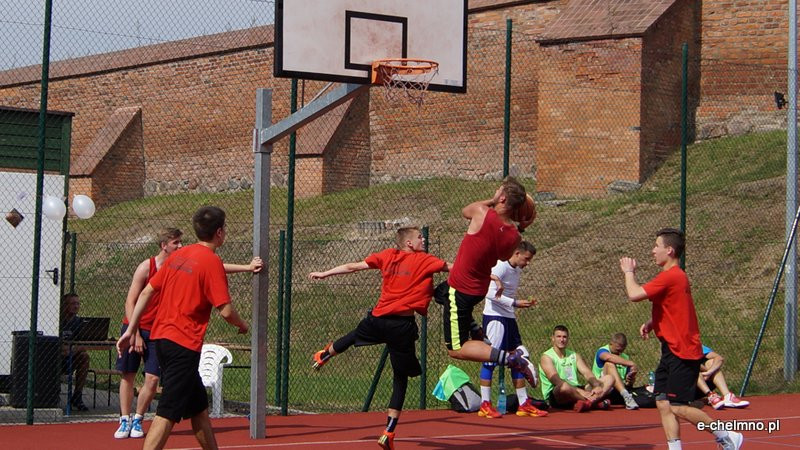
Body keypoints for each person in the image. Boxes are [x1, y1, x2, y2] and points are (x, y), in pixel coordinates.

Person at [117, 206, 251, 450]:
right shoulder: (211, 261)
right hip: (183, 346)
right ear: (220, 232)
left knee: (198, 408)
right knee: (167, 411)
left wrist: (130, 328)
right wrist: (243, 325)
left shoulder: (179, 255)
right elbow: (226, 310)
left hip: (162, 340)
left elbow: (147, 291)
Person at [309, 226, 450, 450]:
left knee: (356, 335)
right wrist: (487, 274)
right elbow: (457, 268)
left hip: (379, 319)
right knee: (400, 378)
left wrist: (325, 273)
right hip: (401, 325)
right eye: (419, 237)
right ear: (410, 243)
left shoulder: (387, 256)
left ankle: (325, 354)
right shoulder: (425, 260)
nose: (423, 240)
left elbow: (353, 266)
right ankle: (389, 432)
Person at [620, 227, 744, 450]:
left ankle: (727, 435)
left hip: (682, 352)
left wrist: (629, 272)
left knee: (677, 406)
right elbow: (675, 308)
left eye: (656, 246)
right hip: (671, 351)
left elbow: (634, 294)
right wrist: (653, 322)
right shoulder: (675, 278)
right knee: (663, 403)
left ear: (669, 250)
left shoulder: (673, 276)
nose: (652, 251)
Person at [433, 177, 539, 387]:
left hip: (461, 288)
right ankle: (476, 329)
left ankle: (511, 359)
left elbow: (465, 211)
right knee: (438, 293)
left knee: (456, 348)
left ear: (502, 197)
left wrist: (491, 201)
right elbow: (502, 255)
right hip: (478, 288)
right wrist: (521, 224)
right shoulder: (514, 238)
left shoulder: (482, 212)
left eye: (498, 191)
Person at [477, 241, 548, 419]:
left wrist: (516, 304)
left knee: (519, 357)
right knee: (490, 359)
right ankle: (485, 404)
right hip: (495, 317)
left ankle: (523, 404)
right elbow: (489, 293)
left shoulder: (516, 270)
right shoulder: (500, 266)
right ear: (517, 253)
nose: (528, 263)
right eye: (526, 259)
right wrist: (514, 303)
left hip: (509, 317)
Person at [538, 325, 614, 412]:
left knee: (609, 378)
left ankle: (587, 403)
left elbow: (586, 372)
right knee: (564, 387)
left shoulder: (574, 355)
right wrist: (582, 392)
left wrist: (596, 385)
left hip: (576, 390)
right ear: (552, 338)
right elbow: (557, 381)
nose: (562, 340)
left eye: (564, 337)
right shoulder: (547, 357)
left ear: (568, 339)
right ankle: (594, 403)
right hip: (557, 394)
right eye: (558, 336)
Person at [591, 332, 641, 410]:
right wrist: (631, 363)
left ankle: (626, 396)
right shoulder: (602, 351)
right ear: (611, 344)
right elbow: (608, 357)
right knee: (609, 364)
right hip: (601, 387)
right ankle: (625, 395)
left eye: (622, 350)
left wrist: (630, 379)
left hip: (617, 391)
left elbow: (628, 383)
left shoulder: (625, 357)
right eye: (617, 350)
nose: (619, 353)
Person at [61, 292, 90, 412]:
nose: (76, 306)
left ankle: (77, 395)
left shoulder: (79, 322)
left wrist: (72, 349)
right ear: (65, 305)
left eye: (78, 303)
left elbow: (83, 345)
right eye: (73, 303)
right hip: (56, 359)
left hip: (72, 356)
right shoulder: (57, 321)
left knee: (84, 357)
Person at [696, 344, 750, 410]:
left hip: (704, 381)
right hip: (686, 387)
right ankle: (710, 395)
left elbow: (719, 358)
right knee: (692, 369)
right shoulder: (681, 349)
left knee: (711, 362)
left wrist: (709, 372)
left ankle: (727, 396)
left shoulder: (696, 345)